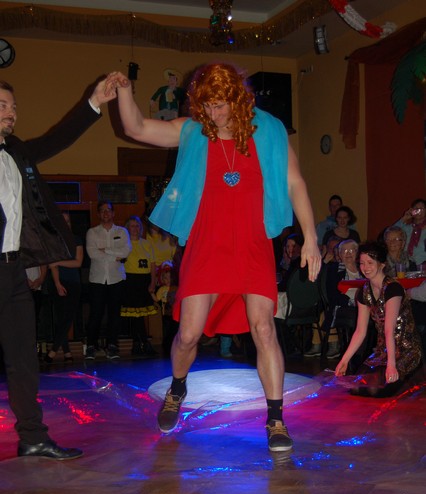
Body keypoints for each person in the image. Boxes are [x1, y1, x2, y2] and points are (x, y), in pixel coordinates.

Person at [105, 63, 321, 452]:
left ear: (237, 100)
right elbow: (136, 128)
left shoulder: (270, 131)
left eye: (219, 105)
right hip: (206, 244)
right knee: (188, 334)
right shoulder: (193, 131)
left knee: (264, 329)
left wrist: (311, 237)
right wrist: (124, 91)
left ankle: (275, 419)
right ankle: (177, 388)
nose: (213, 113)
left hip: (253, 244)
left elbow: (295, 182)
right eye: (206, 106)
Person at [0, 76, 113, 460]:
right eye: (2, 106)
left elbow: (56, 138)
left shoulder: (16, 151)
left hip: (13, 271)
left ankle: (33, 437)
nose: (11, 113)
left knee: (23, 360)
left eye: (14, 107)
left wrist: (94, 101)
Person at [335, 242, 422, 397]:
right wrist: (344, 360)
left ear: (382, 264)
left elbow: (389, 330)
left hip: (406, 349)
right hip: (383, 350)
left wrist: (391, 366)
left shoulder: (392, 288)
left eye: (370, 263)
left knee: (375, 389)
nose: (365, 267)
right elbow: (360, 331)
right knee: (357, 387)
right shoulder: (364, 291)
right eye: (362, 263)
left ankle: (412, 373)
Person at [85, 201, 131, 361]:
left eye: (108, 210)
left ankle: (112, 346)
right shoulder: (92, 232)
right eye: (102, 210)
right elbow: (92, 254)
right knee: (95, 314)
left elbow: (126, 251)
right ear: (98, 214)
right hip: (97, 280)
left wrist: (105, 250)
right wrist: (115, 255)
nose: (106, 213)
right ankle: (91, 346)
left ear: (113, 213)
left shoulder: (122, 231)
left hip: (116, 279)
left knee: (114, 315)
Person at [44, 212, 83, 364]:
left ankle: (53, 350)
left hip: (74, 282)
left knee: (68, 318)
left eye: (68, 221)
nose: (65, 223)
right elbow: (52, 266)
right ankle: (66, 352)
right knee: (61, 318)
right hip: (57, 282)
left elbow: (78, 262)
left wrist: (59, 262)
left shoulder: (76, 240)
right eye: (62, 221)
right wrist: (57, 284)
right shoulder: (52, 240)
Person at [121, 215, 157, 356]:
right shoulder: (124, 244)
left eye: (137, 226)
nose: (135, 229)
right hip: (130, 281)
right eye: (132, 226)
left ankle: (138, 343)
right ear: (127, 228)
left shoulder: (147, 244)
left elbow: (153, 265)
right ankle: (142, 343)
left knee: (140, 315)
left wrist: (152, 282)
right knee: (135, 315)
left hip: (144, 281)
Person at [395, 198, 426, 268]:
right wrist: (404, 218)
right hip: (406, 265)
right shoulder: (406, 228)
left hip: (423, 266)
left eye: (421, 209)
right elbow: (389, 234)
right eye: (416, 209)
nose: (419, 211)